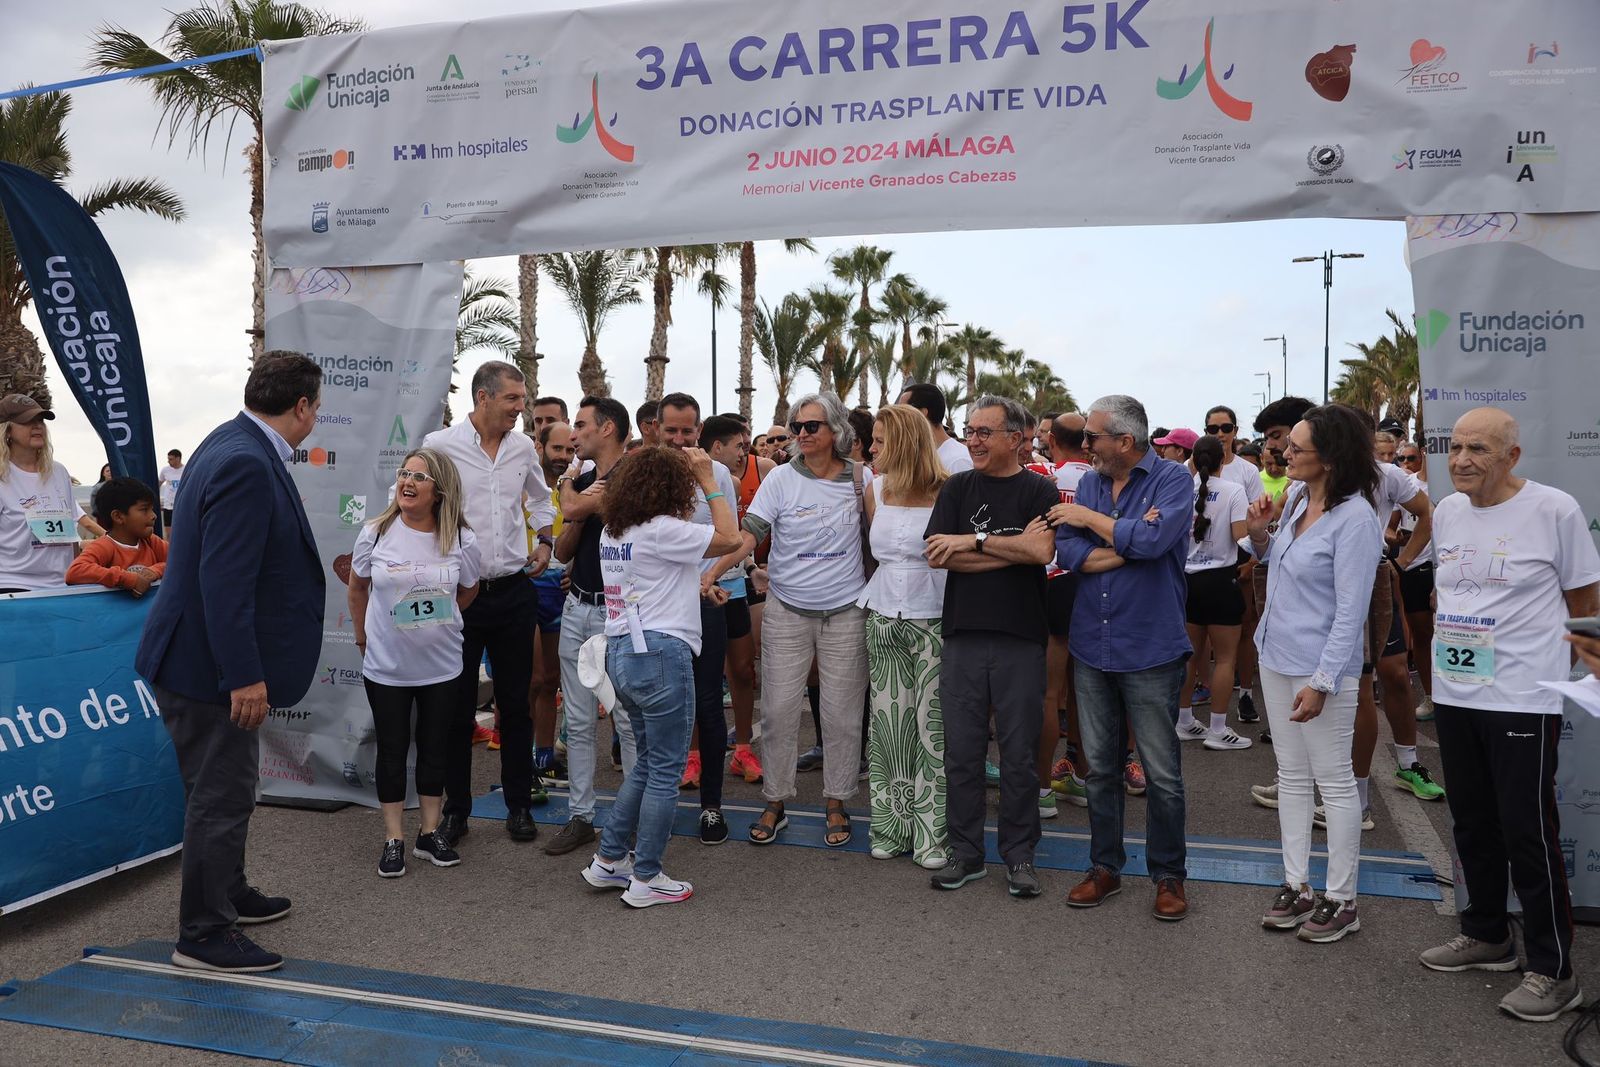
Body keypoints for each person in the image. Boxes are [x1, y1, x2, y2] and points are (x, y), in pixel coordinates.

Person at [134, 352, 325, 973]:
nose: (316, 417)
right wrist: (243, 675)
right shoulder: (246, 460)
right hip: (209, 669)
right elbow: (226, 582)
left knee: (226, 790)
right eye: (316, 406)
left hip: (195, 659)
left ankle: (230, 891)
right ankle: (204, 933)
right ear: (301, 406)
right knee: (221, 795)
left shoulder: (229, 439)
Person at [1420, 407, 1599, 1022]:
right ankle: (1487, 933)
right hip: (1455, 692)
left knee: (1527, 830)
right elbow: (1451, 589)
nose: (1463, 459)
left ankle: (1554, 971)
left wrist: (1586, 672)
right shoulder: (1446, 511)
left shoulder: (1554, 510)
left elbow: (1584, 599)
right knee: (1470, 821)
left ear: (1512, 457)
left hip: (1522, 695)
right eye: (1457, 447)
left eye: (1480, 449)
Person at [579, 444, 741, 907]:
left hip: (622, 653)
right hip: (662, 654)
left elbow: (654, 580)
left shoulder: (616, 531)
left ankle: (609, 860)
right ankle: (646, 877)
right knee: (665, 770)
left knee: (650, 762)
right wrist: (709, 479)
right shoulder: (664, 529)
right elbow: (730, 538)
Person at [1053, 395, 1194, 921]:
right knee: (1102, 770)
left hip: (1150, 645)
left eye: (1091, 437)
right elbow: (1064, 549)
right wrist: (1122, 545)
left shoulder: (1173, 480)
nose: (1084, 445)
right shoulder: (1091, 478)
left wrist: (1092, 520)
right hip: (1093, 641)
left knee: (1160, 773)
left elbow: (1157, 542)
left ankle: (1169, 876)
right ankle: (1105, 867)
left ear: (1125, 442)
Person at [1246, 403, 1383, 943]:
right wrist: (1259, 532)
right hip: (1275, 655)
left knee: (1334, 783)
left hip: (1319, 669)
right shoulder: (1300, 498)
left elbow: (1353, 610)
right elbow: (1271, 562)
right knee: (1293, 777)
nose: (1284, 454)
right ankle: (1297, 884)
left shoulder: (1357, 519)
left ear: (1331, 457)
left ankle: (1342, 898)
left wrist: (1323, 682)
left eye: (1296, 448)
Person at [923, 396, 1057, 897]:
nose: (973, 441)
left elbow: (1042, 550)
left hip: (1020, 638)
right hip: (962, 636)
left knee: (1018, 756)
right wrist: (1010, 549)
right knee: (962, 753)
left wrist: (973, 542)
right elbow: (938, 555)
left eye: (984, 432)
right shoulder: (958, 486)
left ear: (1016, 438)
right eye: (970, 431)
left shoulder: (1038, 489)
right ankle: (966, 852)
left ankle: (1020, 857)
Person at [423, 361, 554, 847]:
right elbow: (412, 502)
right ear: (482, 397)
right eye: (513, 400)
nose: (522, 409)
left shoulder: (522, 448)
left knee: (516, 704)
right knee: (456, 709)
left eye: (522, 400)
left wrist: (545, 542)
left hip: (515, 591)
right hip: (461, 596)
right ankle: (458, 810)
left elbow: (542, 502)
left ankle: (519, 804)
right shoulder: (439, 448)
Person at [738, 392, 870, 848]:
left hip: (847, 611)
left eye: (811, 426)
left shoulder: (861, 478)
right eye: (796, 427)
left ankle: (837, 801)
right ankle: (776, 799)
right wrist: (717, 564)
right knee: (776, 711)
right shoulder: (779, 480)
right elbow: (751, 531)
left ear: (836, 429)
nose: (801, 435)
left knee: (842, 716)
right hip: (787, 610)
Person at [348, 449, 481, 879]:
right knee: (391, 750)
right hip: (387, 665)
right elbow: (357, 589)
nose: (407, 482)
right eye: (404, 473)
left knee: (435, 747)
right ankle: (393, 839)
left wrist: (443, 618)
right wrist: (363, 636)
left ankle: (428, 833)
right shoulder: (375, 532)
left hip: (441, 664)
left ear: (438, 491)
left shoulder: (461, 538)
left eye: (419, 477)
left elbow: (469, 589)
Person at [859, 404, 950, 868]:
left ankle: (931, 835)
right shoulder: (875, 488)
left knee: (930, 728)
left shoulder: (949, 491)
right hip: (882, 615)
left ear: (905, 442)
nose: (870, 449)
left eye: (878, 440)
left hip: (935, 618)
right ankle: (891, 827)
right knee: (889, 728)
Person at [548, 396, 635, 856]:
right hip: (578, 607)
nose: (573, 434)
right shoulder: (585, 481)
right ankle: (580, 817)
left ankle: (632, 818)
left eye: (580, 425)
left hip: (617, 614)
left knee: (625, 718)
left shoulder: (634, 477)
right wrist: (576, 500)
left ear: (607, 429)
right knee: (578, 721)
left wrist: (568, 487)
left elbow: (574, 509)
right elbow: (563, 550)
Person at [657, 393, 744, 844]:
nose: (678, 439)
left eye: (687, 431)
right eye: (670, 430)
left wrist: (708, 578)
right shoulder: (643, 471)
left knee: (709, 705)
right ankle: (659, 804)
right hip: (656, 609)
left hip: (703, 602)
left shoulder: (719, 474)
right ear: (656, 428)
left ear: (699, 431)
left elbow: (730, 537)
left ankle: (711, 806)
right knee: (661, 707)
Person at [1175, 435, 1252, 751]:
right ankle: (1218, 729)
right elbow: (1242, 539)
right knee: (1224, 659)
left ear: (1193, 460)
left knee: (1189, 656)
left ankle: (1183, 721)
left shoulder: (1182, 490)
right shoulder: (1235, 491)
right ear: (1223, 460)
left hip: (1187, 582)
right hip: (1221, 581)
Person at [704, 415, 765, 784]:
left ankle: (742, 748)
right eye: (738, 445)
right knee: (703, 676)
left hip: (733, 584)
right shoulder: (679, 475)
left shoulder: (731, 480)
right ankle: (695, 754)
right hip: (694, 587)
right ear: (717, 446)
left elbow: (738, 535)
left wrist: (749, 564)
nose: (744, 451)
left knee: (742, 670)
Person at [0, 394, 99, 593]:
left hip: (62, 584)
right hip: (14, 586)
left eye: (40, 421)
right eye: (28, 421)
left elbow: (69, 528)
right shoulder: (3, 477)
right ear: (7, 430)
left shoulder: (59, 472)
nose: (38, 426)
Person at [523, 422, 573, 768]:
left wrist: (575, 571)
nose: (564, 457)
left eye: (569, 450)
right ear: (540, 448)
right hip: (526, 584)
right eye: (557, 449)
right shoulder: (522, 487)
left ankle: (544, 755)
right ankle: (523, 757)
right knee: (533, 678)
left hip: (561, 587)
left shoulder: (574, 488)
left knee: (551, 679)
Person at [66, 477, 167, 594]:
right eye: (144, 509)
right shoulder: (104, 546)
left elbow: (181, 561)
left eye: (152, 509)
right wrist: (128, 579)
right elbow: (75, 572)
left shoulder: (152, 541)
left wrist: (156, 571)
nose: (153, 515)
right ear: (118, 517)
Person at [1394, 440, 1435, 719]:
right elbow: (1390, 525)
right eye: (1402, 458)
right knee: (1422, 636)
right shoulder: (1409, 487)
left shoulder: (1458, 488)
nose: (1406, 464)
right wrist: (1402, 554)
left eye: (1410, 458)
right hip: (1417, 571)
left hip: (1449, 572)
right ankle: (1432, 697)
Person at [898, 382, 973, 474]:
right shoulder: (917, 458)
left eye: (902, 412)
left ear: (922, 413)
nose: (897, 419)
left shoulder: (958, 461)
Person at [159, 448, 184, 528]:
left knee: (182, 528)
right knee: (169, 531)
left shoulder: (186, 470)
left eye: (171, 459)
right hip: (168, 506)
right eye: (168, 459)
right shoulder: (165, 470)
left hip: (181, 505)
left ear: (178, 458)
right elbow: (159, 483)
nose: (168, 461)